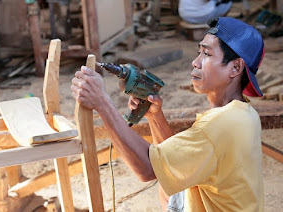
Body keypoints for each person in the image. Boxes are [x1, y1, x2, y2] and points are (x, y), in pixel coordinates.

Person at [71, 17, 264, 211]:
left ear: (236, 67)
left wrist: (103, 103)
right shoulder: (245, 113)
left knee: (166, 187)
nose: (195, 62)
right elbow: (170, 164)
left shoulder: (216, 127)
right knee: (169, 186)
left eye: (206, 54)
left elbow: (147, 169)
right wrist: (155, 117)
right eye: (199, 52)